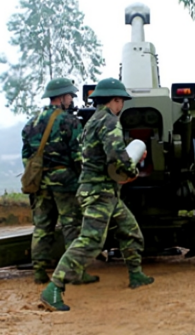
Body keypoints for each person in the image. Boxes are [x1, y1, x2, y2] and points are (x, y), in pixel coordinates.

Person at [40, 77, 154, 312]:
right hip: (99, 193)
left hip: (102, 191)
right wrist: (131, 169)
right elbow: (116, 156)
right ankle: (53, 288)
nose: (121, 105)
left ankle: (136, 275)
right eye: (121, 101)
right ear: (115, 100)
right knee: (90, 242)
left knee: (130, 231)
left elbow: (99, 156)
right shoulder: (110, 121)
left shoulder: (92, 121)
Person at [22, 77, 84, 284]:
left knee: (42, 227)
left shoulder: (31, 123)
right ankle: (73, 273)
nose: (72, 99)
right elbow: (78, 157)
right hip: (65, 182)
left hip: (40, 183)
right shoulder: (70, 122)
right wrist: (83, 178)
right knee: (71, 225)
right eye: (70, 95)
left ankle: (39, 272)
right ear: (61, 97)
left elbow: (26, 157)